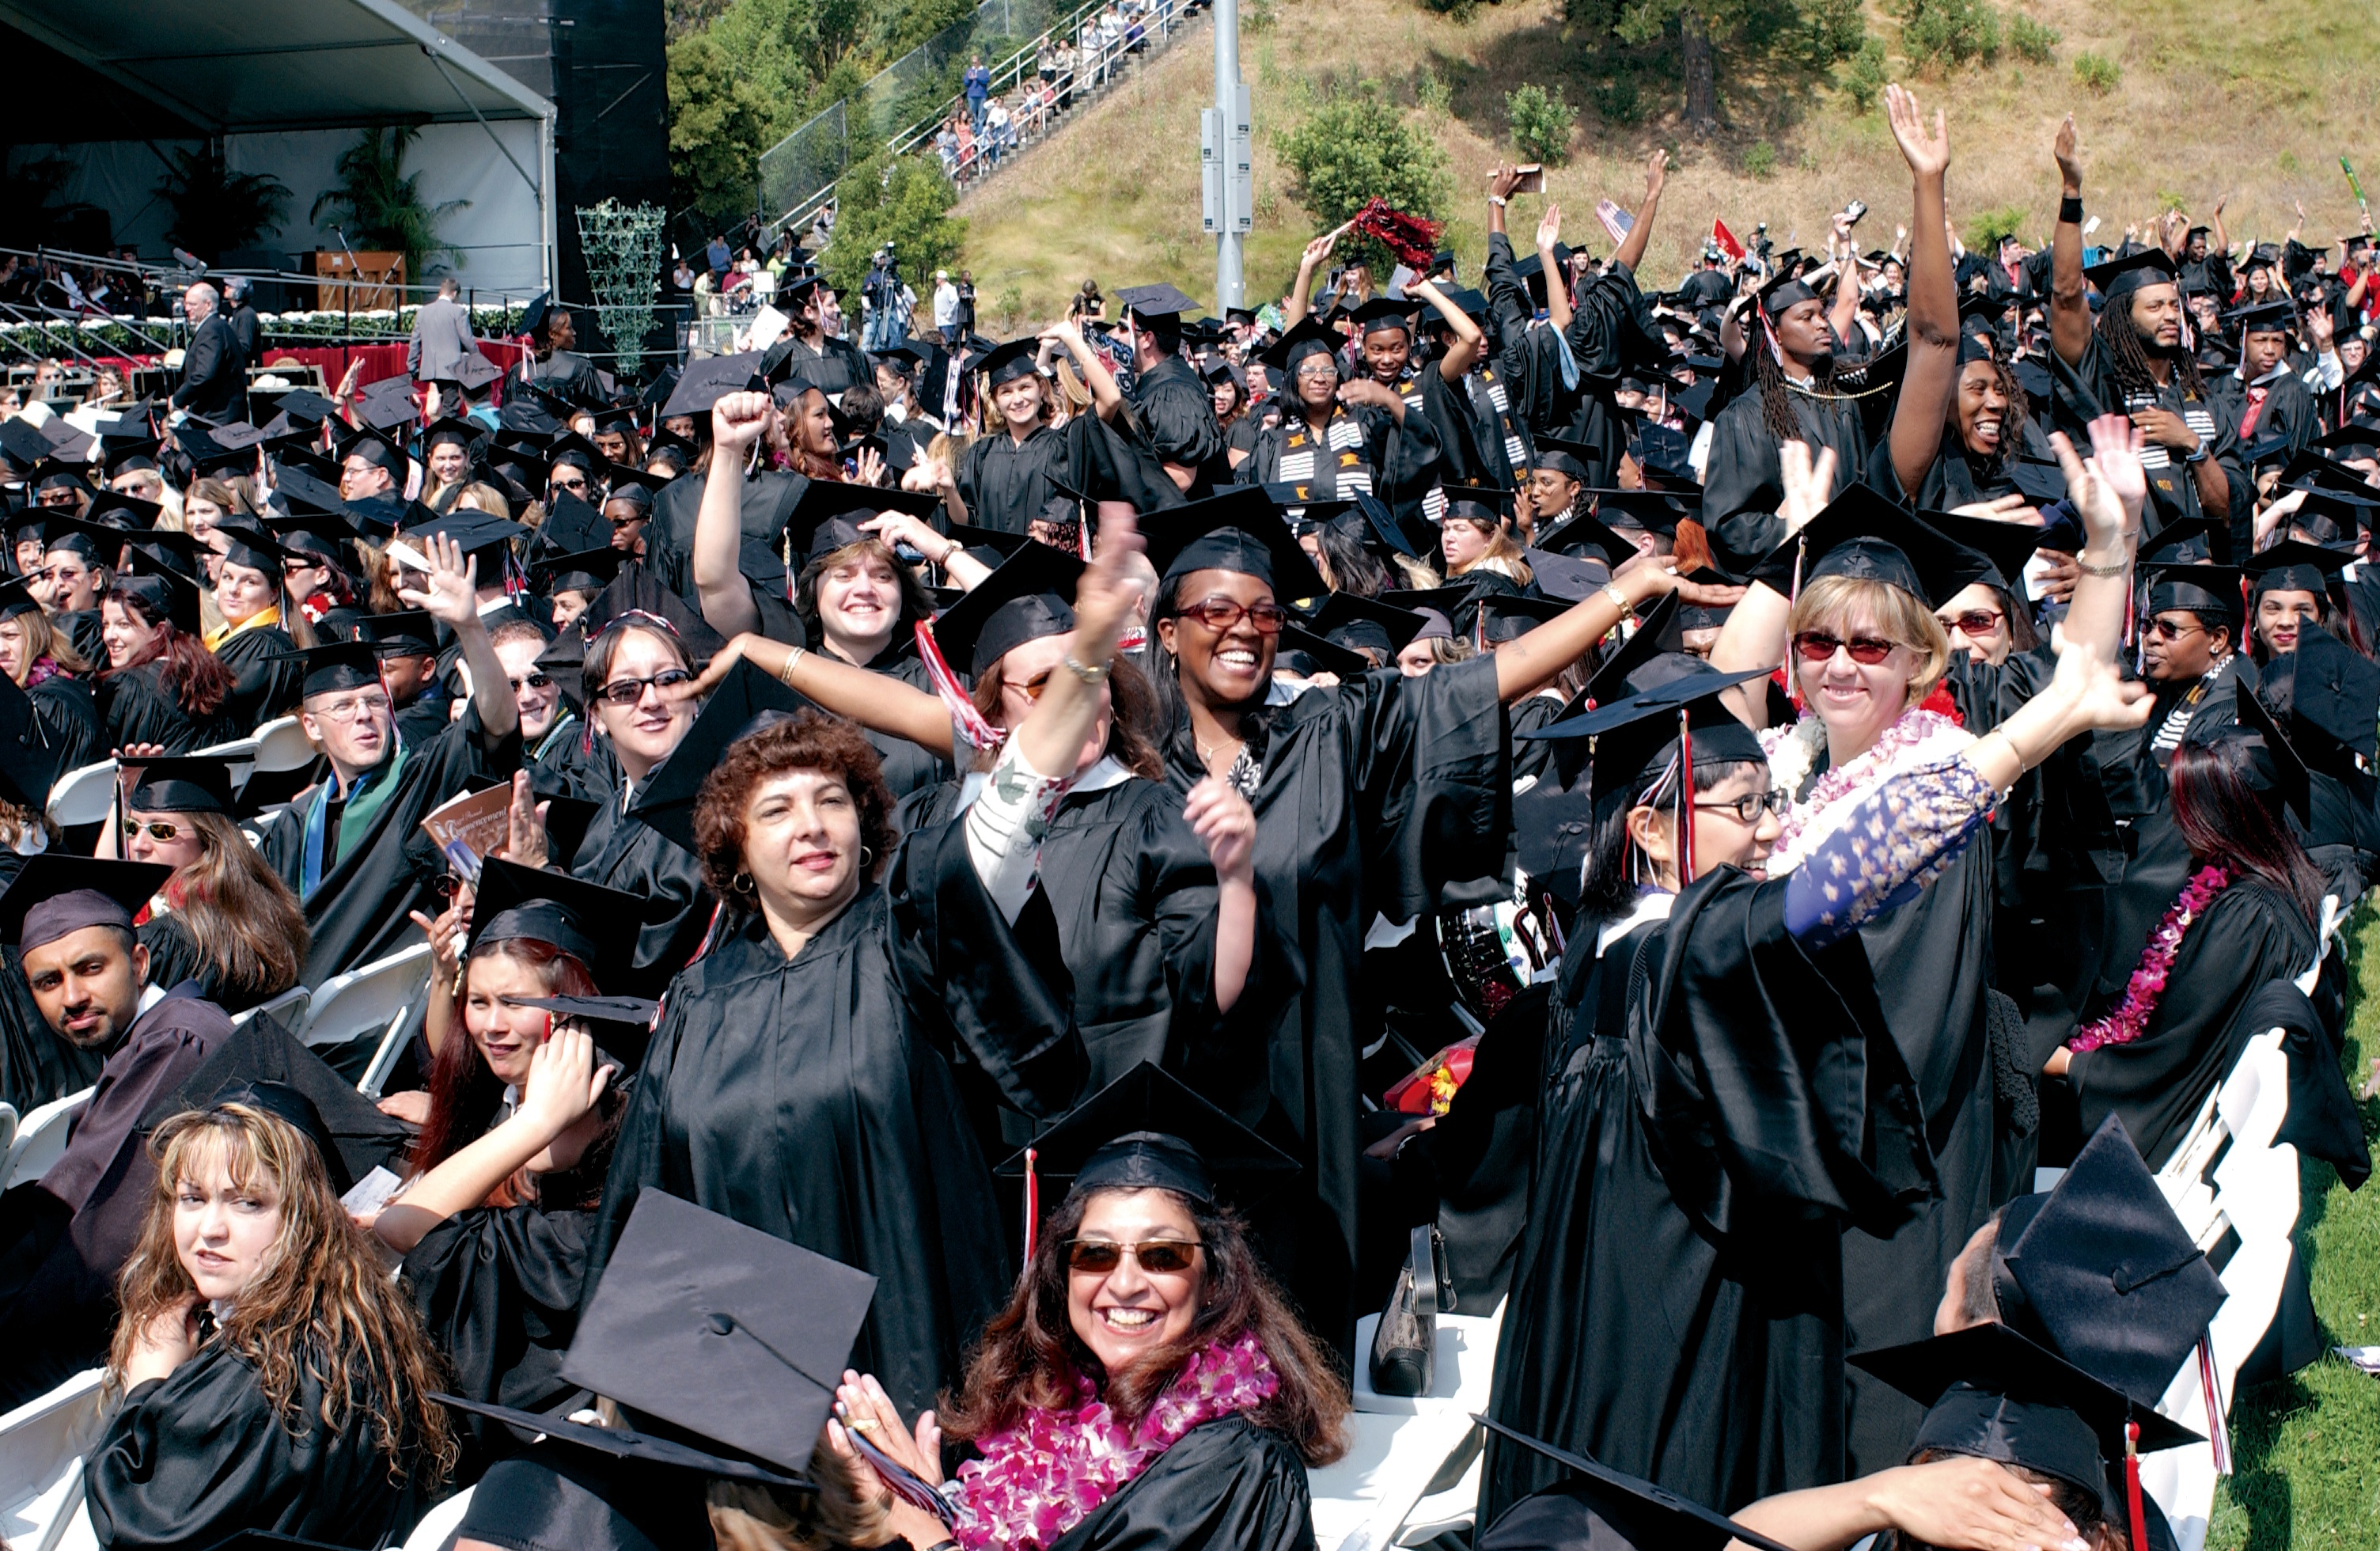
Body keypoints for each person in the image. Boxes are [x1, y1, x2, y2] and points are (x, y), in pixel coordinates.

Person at [1707, 427, 2139, 1476]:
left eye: (1872, 646)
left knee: (1879, 1396)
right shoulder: (1788, 761)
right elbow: (1719, 687)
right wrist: (1786, 550)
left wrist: (2114, 549)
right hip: (1796, 1130)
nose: (1843, 665)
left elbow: (2072, 677)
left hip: (1894, 1133)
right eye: (1820, 645)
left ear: (1924, 660)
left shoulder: (1941, 777)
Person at [585, 701, 1089, 1418]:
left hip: (922, 1354)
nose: (813, 825)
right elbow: (651, 1199)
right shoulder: (697, 1002)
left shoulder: (912, 942)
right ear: (737, 847)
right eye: (778, 810)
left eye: (832, 801)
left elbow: (1035, 1054)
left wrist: (1086, 663)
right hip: (757, 1390)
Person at [825, 1068, 1348, 1551]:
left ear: (1213, 1279)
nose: (1123, 1284)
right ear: (1063, 1273)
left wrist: (926, 1537)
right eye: (1096, 1253)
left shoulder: (1237, 1469)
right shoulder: (1046, 1426)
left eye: (1161, 1255)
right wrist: (945, 1510)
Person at [85, 1086, 455, 1546]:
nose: (210, 1230)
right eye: (192, 1198)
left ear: (306, 1217)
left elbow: (140, 1531)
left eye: (248, 1203)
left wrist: (146, 1387)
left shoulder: (269, 1375)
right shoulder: (349, 1321)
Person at [373, 860, 642, 1471]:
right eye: (479, 1002)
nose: (492, 1025)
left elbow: (401, 1227)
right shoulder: (515, 1097)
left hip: (524, 1418)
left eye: (516, 1003)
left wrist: (536, 1123)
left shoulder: (599, 1130)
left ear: (575, 1001)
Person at [0, 856, 233, 1410]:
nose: (72, 997)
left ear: (139, 961)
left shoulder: (175, 1045)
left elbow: (99, 1238)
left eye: (89, 968)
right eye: (48, 982)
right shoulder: (157, 1033)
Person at [2052, 693, 2323, 1168]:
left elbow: (2169, 1059)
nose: (2176, 819)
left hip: (2151, 1132)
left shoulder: (2248, 920)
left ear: (2225, 819)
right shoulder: (2264, 884)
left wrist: (2064, 1062)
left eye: (2187, 806)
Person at [253, 534, 521, 983]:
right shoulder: (295, 824)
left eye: (375, 702)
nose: (364, 715)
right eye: (344, 707)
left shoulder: (418, 782)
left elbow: (495, 723)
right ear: (312, 728)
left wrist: (470, 628)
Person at [2047, 119, 2239, 556]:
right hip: (2129, 587)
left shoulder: (2205, 401)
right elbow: (2065, 294)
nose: (2170, 315)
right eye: (2154, 308)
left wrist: (2190, 443)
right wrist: (2071, 192)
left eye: (2173, 305)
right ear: (2122, 318)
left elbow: (2226, 511)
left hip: (2201, 589)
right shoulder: (2105, 387)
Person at [110, 757, 309, 1014]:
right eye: (132, 827)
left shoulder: (169, 942)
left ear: (209, 841)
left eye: (160, 830)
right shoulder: (269, 909)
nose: (139, 844)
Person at [97, 568, 233, 755]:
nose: (109, 636)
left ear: (159, 630)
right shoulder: (205, 669)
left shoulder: (133, 689)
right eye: (106, 624)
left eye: (124, 625)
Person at [203, 519, 308, 729]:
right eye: (227, 577)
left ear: (274, 592)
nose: (233, 589)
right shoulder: (222, 637)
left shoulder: (262, 647)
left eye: (249, 582)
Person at [0, 576, 100, 774]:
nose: (1, 649)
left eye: (11, 636)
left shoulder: (43, 706)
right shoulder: (63, 681)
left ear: (36, 635)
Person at [169, 282, 247, 423]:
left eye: (192, 304)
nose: (186, 308)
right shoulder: (218, 327)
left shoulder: (211, 330)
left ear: (208, 304)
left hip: (216, 420)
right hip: (220, 416)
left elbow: (204, 375)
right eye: (186, 304)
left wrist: (177, 400)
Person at [410, 275, 481, 390]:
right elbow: (467, 339)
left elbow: (415, 342)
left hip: (429, 370)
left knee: (433, 405)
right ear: (454, 293)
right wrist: (478, 359)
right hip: (451, 370)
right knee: (450, 405)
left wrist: (412, 366)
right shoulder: (458, 312)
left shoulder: (422, 312)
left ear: (440, 292)